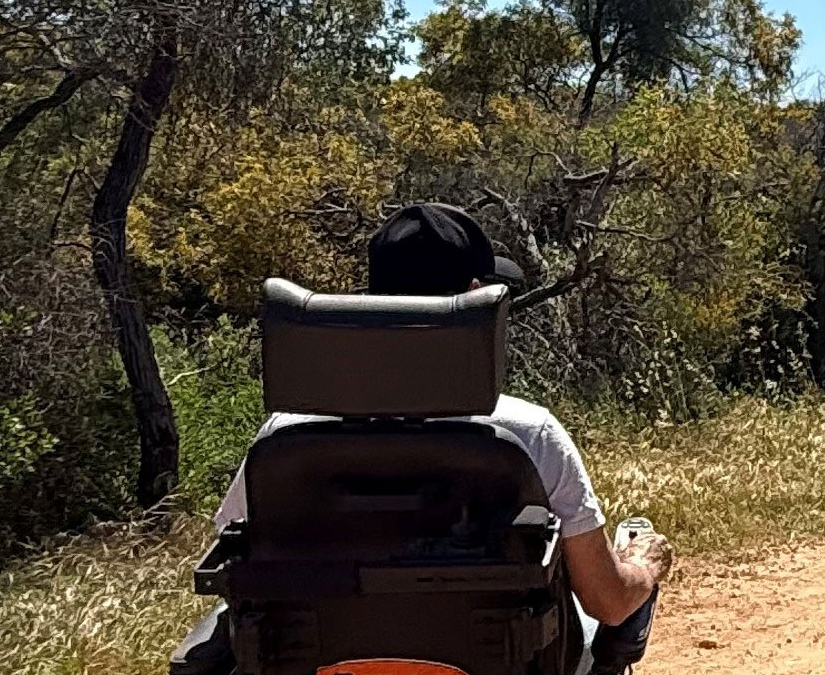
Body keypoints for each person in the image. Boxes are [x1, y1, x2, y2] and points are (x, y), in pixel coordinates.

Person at [214, 201, 669, 642]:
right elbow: (607, 602)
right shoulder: (530, 435)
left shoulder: (286, 436)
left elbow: (232, 562)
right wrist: (643, 567)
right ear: (475, 302)